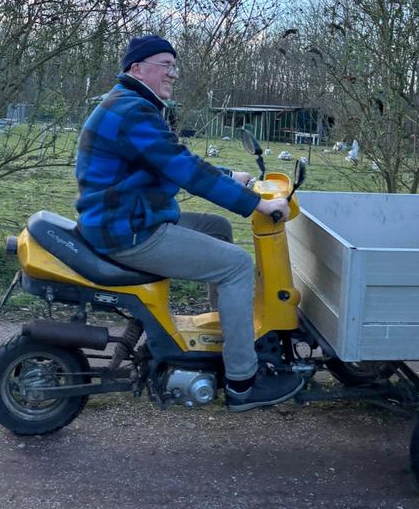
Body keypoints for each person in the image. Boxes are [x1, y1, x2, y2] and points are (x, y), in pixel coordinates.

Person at [75, 34, 304, 411]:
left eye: (174, 65)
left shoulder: (131, 105)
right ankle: (243, 381)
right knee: (237, 265)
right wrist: (256, 205)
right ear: (137, 68)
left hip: (128, 215)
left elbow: (171, 159)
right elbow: (181, 167)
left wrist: (230, 176)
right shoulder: (132, 111)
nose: (173, 73)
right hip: (130, 229)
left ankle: (224, 330)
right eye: (165, 65)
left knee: (218, 230)